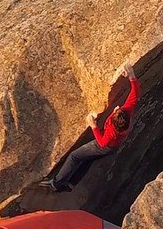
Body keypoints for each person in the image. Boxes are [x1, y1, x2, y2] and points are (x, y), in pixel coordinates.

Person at [40, 62, 140, 191]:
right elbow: (135, 93)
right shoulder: (127, 111)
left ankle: (56, 184)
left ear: (114, 123)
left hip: (104, 146)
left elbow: (102, 142)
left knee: (74, 156)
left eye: (115, 111)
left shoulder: (112, 132)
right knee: (87, 159)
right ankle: (71, 184)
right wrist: (131, 76)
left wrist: (93, 126)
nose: (117, 108)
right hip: (113, 145)